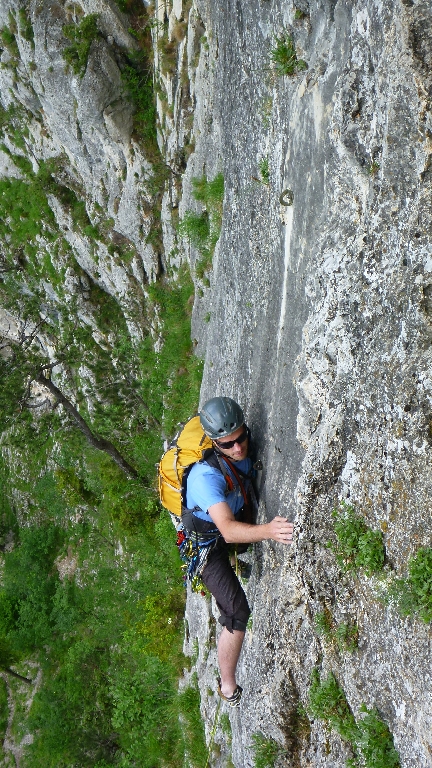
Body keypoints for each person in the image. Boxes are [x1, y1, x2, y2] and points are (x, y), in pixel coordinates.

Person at [183, 396, 294, 706]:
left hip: (227, 526)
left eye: (240, 438)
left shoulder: (243, 445)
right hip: (206, 546)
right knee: (237, 611)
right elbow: (228, 531)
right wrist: (270, 530)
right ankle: (228, 686)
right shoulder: (205, 478)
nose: (237, 448)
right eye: (227, 445)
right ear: (215, 444)